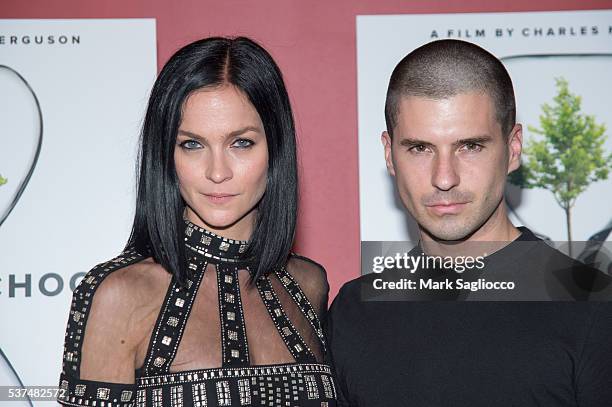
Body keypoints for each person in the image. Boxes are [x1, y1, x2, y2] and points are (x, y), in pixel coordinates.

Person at [326, 39, 612, 406]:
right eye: (419, 148)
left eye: (470, 146)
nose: (444, 178)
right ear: (389, 153)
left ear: (513, 149)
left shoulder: (593, 308)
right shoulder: (353, 312)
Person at [57, 37, 337, 407]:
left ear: (275, 149)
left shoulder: (308, 284)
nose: (217, 172)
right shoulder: (118, 295)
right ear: (165, 154)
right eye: (192, 144)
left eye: (241, 143)